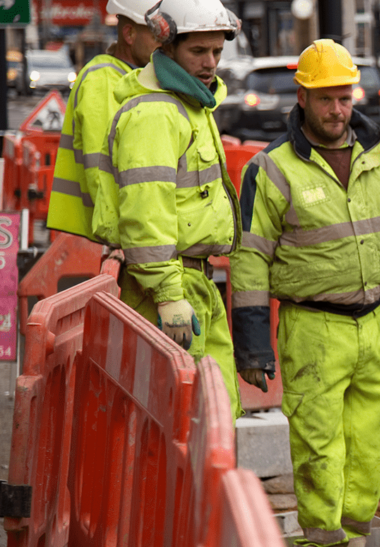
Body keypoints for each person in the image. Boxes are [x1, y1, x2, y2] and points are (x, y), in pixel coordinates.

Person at [229, 39, 380, 547]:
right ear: (302, 98)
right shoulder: (272, 169)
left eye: (344, 98)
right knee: (320, 448)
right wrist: (252, 344)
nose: (337, 109)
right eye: (325, 99)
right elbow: (249, 260)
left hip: (375, 322)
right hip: (313, 328)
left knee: (371, 445)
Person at [102, 0, 244, 419]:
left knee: (213, 413)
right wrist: (168, 295)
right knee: (184, 419)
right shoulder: (156, 113)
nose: (210, 63)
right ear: (166, 46)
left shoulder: (188, 105)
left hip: (194, 282)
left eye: (216, 51)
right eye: (197, 51)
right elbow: (146, 214)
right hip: (171, 286)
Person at [46, 0, 160, 240]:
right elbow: (101, 173)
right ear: (129, 34)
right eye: (157, 36)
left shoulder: (133, 77)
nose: (165, 45)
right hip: (104, 239)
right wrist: (124, 239)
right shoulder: (104, 80)